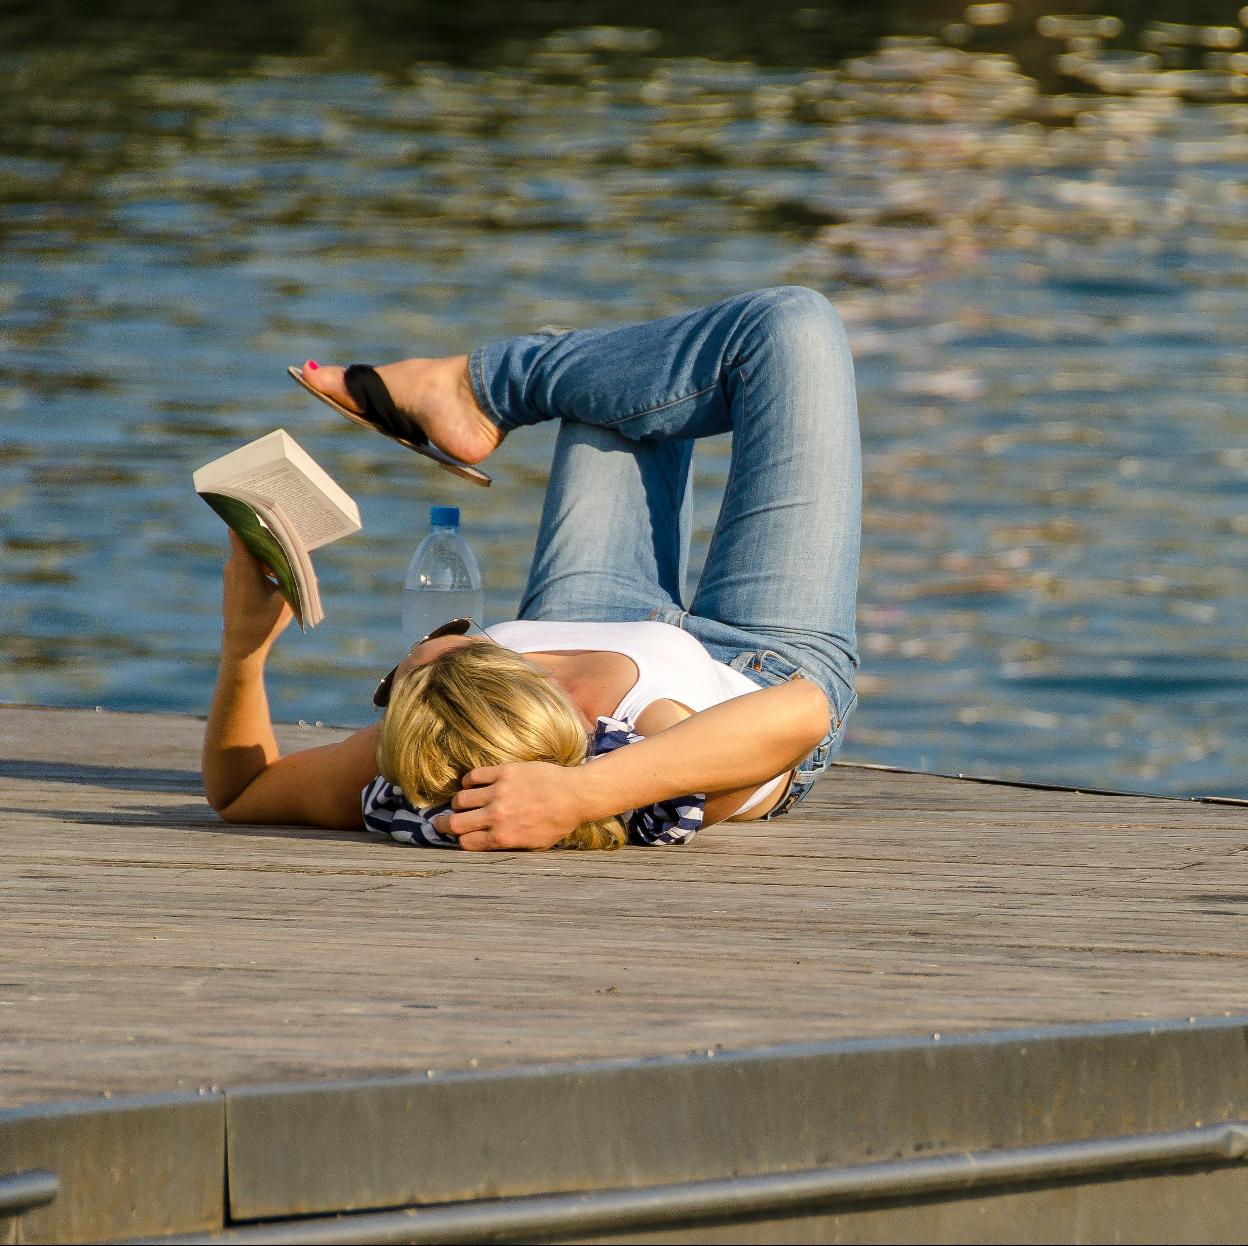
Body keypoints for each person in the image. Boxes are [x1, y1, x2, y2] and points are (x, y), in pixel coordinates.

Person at [201, 286, 861, 851]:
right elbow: (801, 713)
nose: (405, 664)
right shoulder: (643, 753)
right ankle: (485, 387)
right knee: (791, 325)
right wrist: (579, 794)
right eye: (414, 666)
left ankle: (472, 396)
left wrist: (245, 649)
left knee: (618, 384)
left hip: (582, 614)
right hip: (762, 659)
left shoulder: (421, 750)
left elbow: (243, 791)